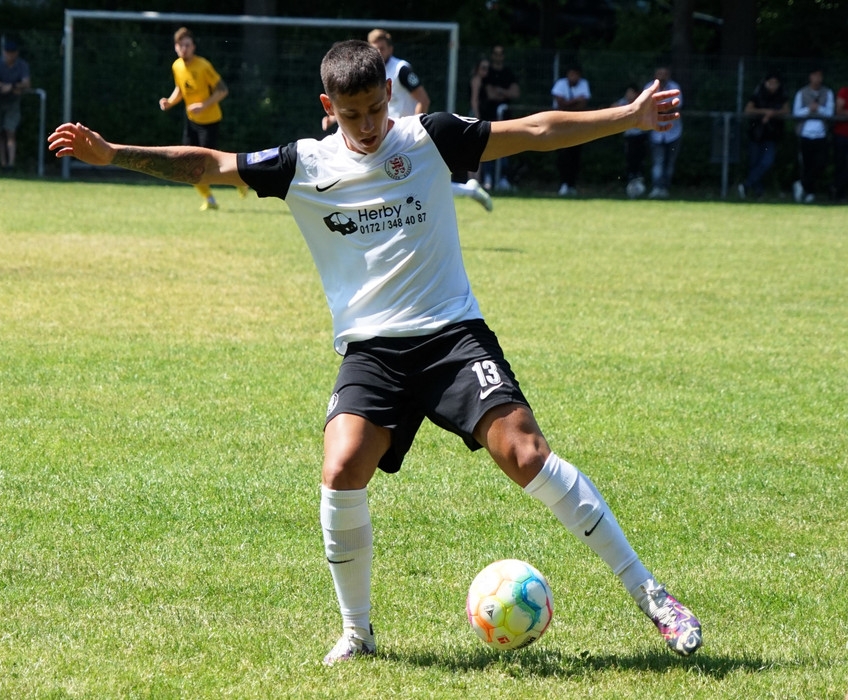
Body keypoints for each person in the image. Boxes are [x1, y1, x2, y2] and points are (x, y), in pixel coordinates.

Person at [48, 39, 702, 666]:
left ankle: (653, 596)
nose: (366, 126)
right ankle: (357, 633)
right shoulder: (304, 163)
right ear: (327, 107)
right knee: (341, 470)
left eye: (374, 108)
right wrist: (114, 155)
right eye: (351, 114)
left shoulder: (430, 137)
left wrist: (629, 117)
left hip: (451, 336)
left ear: (389, 92)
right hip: (372, 352)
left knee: (526, 454)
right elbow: (208, 164)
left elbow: (533, 130)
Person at [368, 28, 491, 212]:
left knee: (409, 181)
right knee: (411, 182)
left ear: (390, 49)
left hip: (403, 137)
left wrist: (412, 130)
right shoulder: (372, 73)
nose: (378, 53)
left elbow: (423, 100)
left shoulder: (401, 69)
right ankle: (469, 190)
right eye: (374, 49)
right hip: (386, 136)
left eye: (382, 48)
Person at [159, 27, 244, 210]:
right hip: (191, 121)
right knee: (186, 163)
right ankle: (209, 199)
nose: (184, 49)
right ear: (175, 47)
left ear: (193, 47)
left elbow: (223, 90)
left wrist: (203, 105)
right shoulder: (176, 66)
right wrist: (170, 102)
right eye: (180, 45)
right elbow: (180, 89)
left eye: (187, 45)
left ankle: (239, 180)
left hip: (210, 121)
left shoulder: (203, 66)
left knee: (210, 166)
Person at [739, 72, 789, 200]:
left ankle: (746, 185)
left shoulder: (781, 96)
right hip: (756, 134)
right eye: (770, 82)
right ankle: (758, 191)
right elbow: (748, 110)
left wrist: (773, 114)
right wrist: (765, 112)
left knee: (767, 162)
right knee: (754, 162)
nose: (773, 85)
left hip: (771, 136)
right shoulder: (758, 95)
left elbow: (786, 110)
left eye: (775, 83)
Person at [791, 67, 835, 204]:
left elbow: (830, 113)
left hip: (821, 135)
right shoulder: (801, 93)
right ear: (810, 77)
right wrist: (808, 109)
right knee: (807, 164)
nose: (817, 79)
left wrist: (819, 109)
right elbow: (796, 113)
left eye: (820, 76)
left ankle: (802, 185)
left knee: (821, 163)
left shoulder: (827, 93)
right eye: (815, 75)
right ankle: (809, 192)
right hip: (805, 134)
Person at [481, 45, 520, 191]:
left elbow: (515, 93)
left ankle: (503, 178)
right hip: (489, 116)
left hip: (505, 117)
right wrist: (505, 92)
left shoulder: (508, 73)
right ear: (492, 55)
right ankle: (488, 177)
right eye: (496, 53)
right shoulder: (488, 73)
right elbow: (490, 94)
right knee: (488, 145)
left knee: (505, 145)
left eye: (501, 54)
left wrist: (500, 91)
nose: (498, 56)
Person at [0, 39, 31, 171]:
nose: (9, 55)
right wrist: (4, 87)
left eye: (12, 52)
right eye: (7, 52)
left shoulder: (22, 65)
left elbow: (27, 84)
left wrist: (11, 86)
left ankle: (11, 164)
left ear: (16, 53)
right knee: (0, 132)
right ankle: (3, 163)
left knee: (10, 131)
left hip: (13, 102)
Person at [551, 64, 591, 196]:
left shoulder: (584, 84)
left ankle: (572, 185)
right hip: (561, 124)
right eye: (571, 74)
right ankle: (563, 183)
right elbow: (560, 104)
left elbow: (582, 105)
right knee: (563, 154)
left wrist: (568, 104)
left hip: (577, 125)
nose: (573, 77)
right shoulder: (561, 84)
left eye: (576, 74)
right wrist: (575, 101)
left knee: (575, 155)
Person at [644, 66, 682, 199]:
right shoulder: (649, 88)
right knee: (658, 162)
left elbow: (677, 106)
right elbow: (645, 108)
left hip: (673, 132)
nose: (661, 76)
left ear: (668, 75)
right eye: (659, 74)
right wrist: (663, 110)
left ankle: (665, 189)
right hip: (656, 132)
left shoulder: (675, 87)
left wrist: (661, 110)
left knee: (670, 163)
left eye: (664, 74)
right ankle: (657, 188)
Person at [614, 84, 647, 197]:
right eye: (627, 92)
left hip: (640, 136)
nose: (628, 95)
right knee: (630, 161)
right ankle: (631, 182)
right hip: (629, 137)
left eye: (631, 92)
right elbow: (612, 108)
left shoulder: (640, 104)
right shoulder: (624, 103)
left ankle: (639, 182)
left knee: (639, 161)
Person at [834, 83, 848, 203]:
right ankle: (838, 193)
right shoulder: (844, 91)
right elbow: (839, 110)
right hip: (842, 135)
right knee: (841, 165)